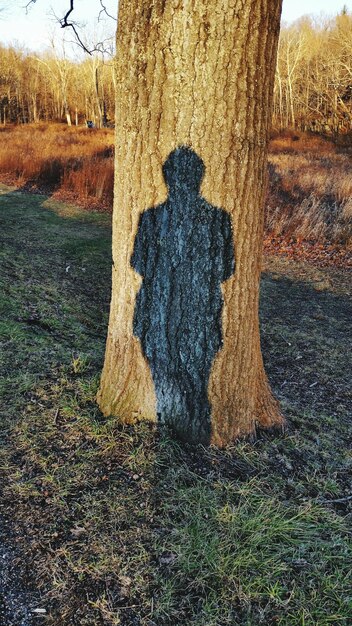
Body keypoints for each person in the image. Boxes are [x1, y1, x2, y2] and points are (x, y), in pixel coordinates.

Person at [131, 146, 235, 443]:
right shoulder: (219, 218)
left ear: (167, 178)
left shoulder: (151, 218)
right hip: (201, 315)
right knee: (196, 380)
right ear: (199, 178)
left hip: (158, 315)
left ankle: (174, 429)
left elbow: (138, 263)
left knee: (166, 378)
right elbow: (227, 270)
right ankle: (193, 431)